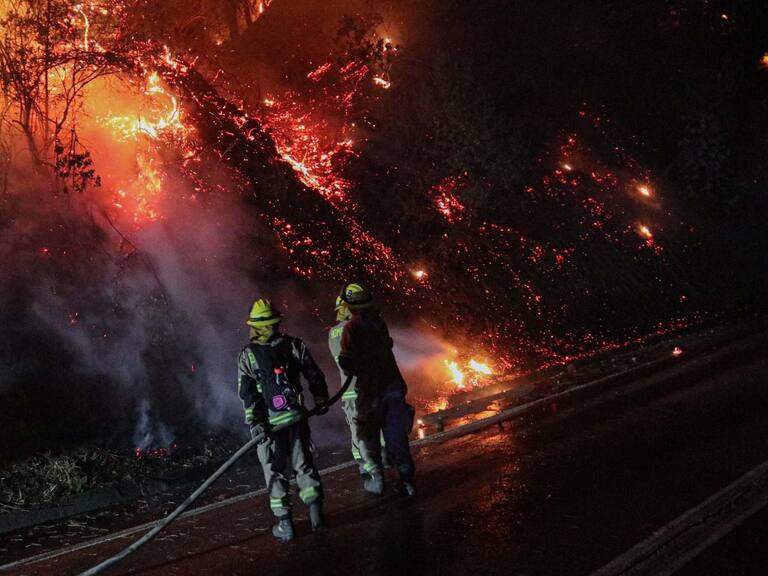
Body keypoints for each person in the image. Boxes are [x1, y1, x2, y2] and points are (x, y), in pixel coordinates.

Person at [237, 299, 330, 542]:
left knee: (274, 470)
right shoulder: (293, 345)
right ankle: (315, 513)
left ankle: (285, 524)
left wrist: (255, 423)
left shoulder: (248, 356)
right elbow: (314, 375)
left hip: (270, 426)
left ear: (255, 326)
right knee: (303, 464)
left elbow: (248, 394)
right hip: (296, 418)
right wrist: (320, 400)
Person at [334, 283, 416, 496]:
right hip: (393, 387)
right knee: (396, 434)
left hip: (370, 393)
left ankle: (377, 479)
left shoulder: (350, 328)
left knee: (367, 434)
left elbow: (346, 361)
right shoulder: (379, 323)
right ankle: (407, 480)